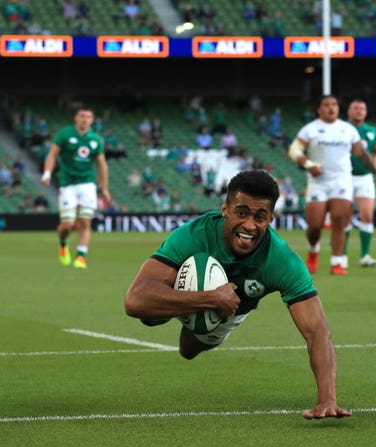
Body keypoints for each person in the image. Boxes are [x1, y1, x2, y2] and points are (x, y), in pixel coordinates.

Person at [124, 170, 351, 420]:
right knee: (148, 314)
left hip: (231, 312)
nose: (249, 225)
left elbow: (317, 331)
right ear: (225, 209)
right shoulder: (192, 236)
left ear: (271, 219)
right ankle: (183, 305)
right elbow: (135, 300)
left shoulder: (281, 259)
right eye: (241, 213)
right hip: (188, 291)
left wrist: (327, 399)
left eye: (260, 217)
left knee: (188, 349)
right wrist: (210, 298)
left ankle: (195, 319)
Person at [288, 94, 376, 275]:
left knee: (339, 221)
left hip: (341, 181)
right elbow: (294, 150)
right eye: (326, 105)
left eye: (334, 104)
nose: (331, 108)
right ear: (319, 109)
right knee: (315, 225)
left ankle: (336, 262)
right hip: (318, 182)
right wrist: (308, 164)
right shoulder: (310, 129)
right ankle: (313, 251)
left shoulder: (347, 129)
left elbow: (362, 154)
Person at [41, 107, 110, 269]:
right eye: (82, 116)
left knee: (85, 221)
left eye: (88, 116)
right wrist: (47, 173)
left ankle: (81, 257)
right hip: (68, 185)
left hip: (87, 185)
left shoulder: (95, 140)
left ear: (92, 120)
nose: (84, 119)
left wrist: (105, 188)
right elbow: (52, 154)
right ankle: (63, 244)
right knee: (67, 225)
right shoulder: (65, 134)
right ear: (76, 118)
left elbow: (101, 164)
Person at [343, 98, 376, 268]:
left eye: (362, 108)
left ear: (366, 112)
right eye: (355, 108)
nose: (359, 111)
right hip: (344, 177)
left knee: (367, 216)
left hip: (365, 177)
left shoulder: (371, 131)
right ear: (349, 111)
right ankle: (342, 256)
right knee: (344, 218)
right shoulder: (343, 129)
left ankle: (365, 256)